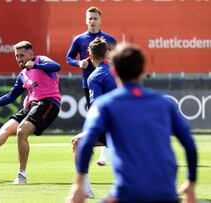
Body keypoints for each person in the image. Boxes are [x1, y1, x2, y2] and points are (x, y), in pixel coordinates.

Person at [66, 43, 198, 203]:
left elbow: (87, 142)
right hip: (167, 194)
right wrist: (191, 182)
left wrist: (78, 183)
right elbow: (189, 143)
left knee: (78, 142)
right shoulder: (164, 104)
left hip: (127, 194)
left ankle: (85, 189)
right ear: (143, 70)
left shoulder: (105, 104)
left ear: (114, 71)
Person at [0, 41, 61, 185]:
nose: (19, 59)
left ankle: (21, 175)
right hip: (31, 105)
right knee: (5, 129)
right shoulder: (22, 75)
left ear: (31, 53)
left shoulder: (40, 60)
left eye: (22, 55)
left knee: (21, 131)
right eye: (16, 56)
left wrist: (36, 65)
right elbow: (10, 97)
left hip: (48, 102)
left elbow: (57, 66)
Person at [66, 6, 116, 171]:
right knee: (98, 114)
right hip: (89, 83)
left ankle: (101, 155)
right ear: (86, 20)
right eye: (90, 18)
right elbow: (69, 57)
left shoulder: (109, 39)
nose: (92, 21)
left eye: (95, 18)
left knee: (101, 114)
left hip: (107, 81)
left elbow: (117, 58)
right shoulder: (79, 39)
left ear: (100, 20)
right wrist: (78, 63)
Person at [71, 37, 117, 199]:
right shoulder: (120, 71)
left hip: (113, 125)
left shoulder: (95, 77)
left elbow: (97, 107)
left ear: (89, 56)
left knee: (78, 142)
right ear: (108, 53)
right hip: (132, 123)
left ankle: (84, 190)